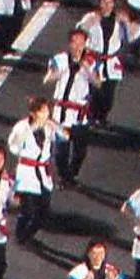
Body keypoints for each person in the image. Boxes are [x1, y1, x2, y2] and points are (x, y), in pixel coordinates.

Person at [44, 28, 99, 184]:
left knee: (80, 149)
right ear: (70, 44)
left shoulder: (91, 61)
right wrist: (64, 69)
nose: (78, 47)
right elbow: (48, 78)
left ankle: (73, 172)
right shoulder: (60, 59)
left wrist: (86, 67)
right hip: (61, 111)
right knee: (61, 150)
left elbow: (98, 82)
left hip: (80, 112)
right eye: (75, 42)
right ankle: (64, 176)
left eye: (81, 43)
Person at [79, 0, 140, 125]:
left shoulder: (119, 19)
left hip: (112, 61)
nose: (107, 6)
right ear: (99, 2)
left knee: (109, 94)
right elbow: (79, 33)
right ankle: (91, 116)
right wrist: (90, 23)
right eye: (104, 2)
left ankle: (102, 116)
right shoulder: (91, 17)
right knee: (94, 91)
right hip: (94, 60)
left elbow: (134, 35)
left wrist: (128, 23)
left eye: (110, 2)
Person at [8, 97, 59, 250]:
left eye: (46, 111)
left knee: (43, 211)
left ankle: (29, 233)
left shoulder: (49, 127)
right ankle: (21, 235)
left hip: (43, 172)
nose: (45, 114)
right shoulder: (22, 127)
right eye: (42, 111)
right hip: (27, 173)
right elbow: (14, 147)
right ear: (33, 113)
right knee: (28, 210)